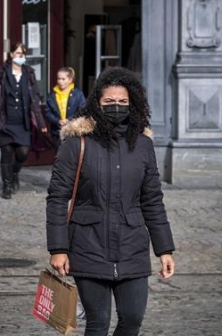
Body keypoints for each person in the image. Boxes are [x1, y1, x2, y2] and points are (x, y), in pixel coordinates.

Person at [47, 67, 176, 336]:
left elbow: (152, 199)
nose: (116, 107)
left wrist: (164, 249)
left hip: (132, 246)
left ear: (133, 104)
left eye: (122, 102)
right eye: (109, 102)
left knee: (132, 319)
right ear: (97, 103)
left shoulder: (143, 145)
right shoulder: (76, 144)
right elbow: (58, 197)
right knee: (98, 322)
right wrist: (58, 248)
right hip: (87, 245)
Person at [0, 43, 48, 199]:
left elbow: (35, 98)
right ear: (11, 54)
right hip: (4, 120)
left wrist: (41, 123)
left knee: (23, 152)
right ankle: (6, 186)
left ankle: (14, 173)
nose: (21, 56)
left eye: (23, 54)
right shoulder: (2, 72)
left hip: (22, 121)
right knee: (6, 152)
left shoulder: (29, 73)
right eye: (18, 53)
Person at [46, 67, 87, 145]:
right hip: (57, 132)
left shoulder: (77, 94)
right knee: (59, 154)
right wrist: (58, 121)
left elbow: (82, 110)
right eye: (59, 79)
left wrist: (69, 120)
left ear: (70, 80)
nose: (60, 81)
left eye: (63, 79)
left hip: (73, 131)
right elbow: (48, 112)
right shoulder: (52, 95)